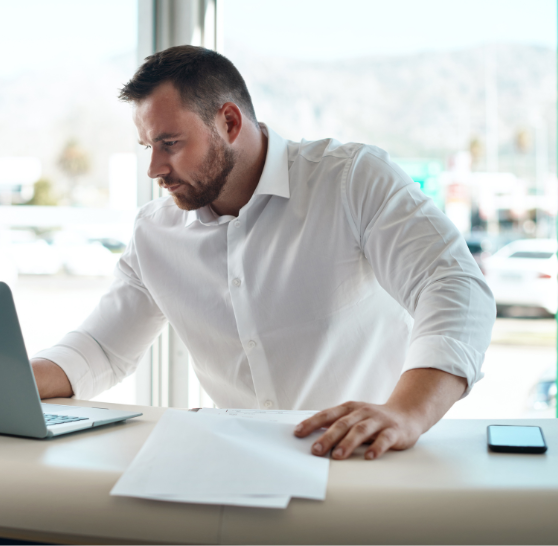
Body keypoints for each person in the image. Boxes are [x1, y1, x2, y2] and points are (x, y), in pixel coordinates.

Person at [30, 45, 495, 461]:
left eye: (169, 144)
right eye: (148, 147)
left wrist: (406, 413)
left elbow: (453, 284)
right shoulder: (155, 232)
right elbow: (101, 349)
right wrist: (6, 382)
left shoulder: (351, 179)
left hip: (363, 464)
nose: (155, 168)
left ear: (229, 122)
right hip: (235, 468)